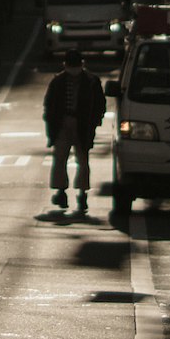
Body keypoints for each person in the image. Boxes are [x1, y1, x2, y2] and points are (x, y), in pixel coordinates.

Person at [40, 58, 108, 221]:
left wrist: (95, 122)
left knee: (82, 160)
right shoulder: (58, 81)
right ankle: (62, 191)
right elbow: (49, 105)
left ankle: (81, 193)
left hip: (83, 125)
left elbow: (100, 104)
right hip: (63, 123)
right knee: (60, 158)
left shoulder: (91, 81)